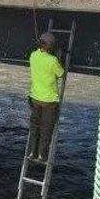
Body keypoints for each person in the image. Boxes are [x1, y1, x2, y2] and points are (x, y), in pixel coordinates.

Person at [27, 32, 65, 162]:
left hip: (35, 98)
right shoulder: (53, 60)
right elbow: (60, 74)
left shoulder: (33, 56)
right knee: (46, 129)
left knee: (35, 127)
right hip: (49, 101)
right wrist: (59, 58)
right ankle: (43, 155)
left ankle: (33, 151)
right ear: (51, 47)